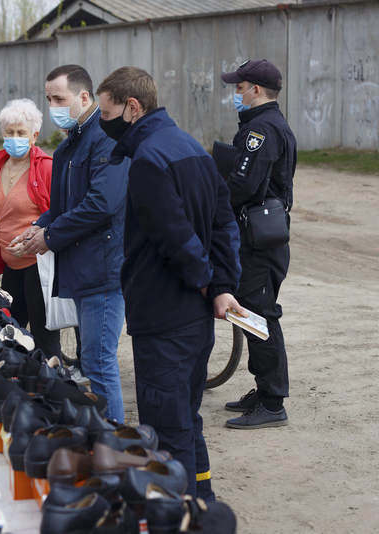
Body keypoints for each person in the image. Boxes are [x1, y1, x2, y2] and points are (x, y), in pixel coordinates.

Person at [96, 66, 243, 499]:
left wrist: (206, 282)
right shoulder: (189, 146)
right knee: (187, 418)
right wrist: (221, 285)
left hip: (164, 315)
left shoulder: (148, 160)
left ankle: (182, 513)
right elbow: (223, 224)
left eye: (107, 112)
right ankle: (203, 501)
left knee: (168, 426)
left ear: (132, 107)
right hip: (193, 317)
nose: (103, 122)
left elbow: (174, 236)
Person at [10, 65, 130, 424]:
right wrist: (39, 227)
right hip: (82, 266)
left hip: (104, 269)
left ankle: (115, 438)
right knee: (91, 360)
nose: (53, 106)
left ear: (84, 97)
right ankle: (102, 437)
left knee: (99, 363)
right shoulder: (70, 144)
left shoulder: (105, 139)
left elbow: (101, 203)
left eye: (59, 98)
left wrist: (49, 237)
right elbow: (63, 205)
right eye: (48, 99)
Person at [220, 59, 296, 429]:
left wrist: (214, 199)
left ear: (255, 89)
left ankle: (272, 401)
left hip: (259, 242)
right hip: (262, 238)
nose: (236, 94)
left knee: (258, 314)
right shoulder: (269, 124)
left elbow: (245, 186)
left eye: (239, 87)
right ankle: (264, 388)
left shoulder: (261, 130)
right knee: (253, 311)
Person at [0, 99, 60, 356]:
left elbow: (60, 213)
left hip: (38, 264)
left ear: (34, 136)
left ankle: (51, 386)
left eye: (21, 133)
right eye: (9, 132)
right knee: (9, 329)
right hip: (9, 264)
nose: (14, 137)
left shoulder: (46, 168)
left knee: (43, 337)